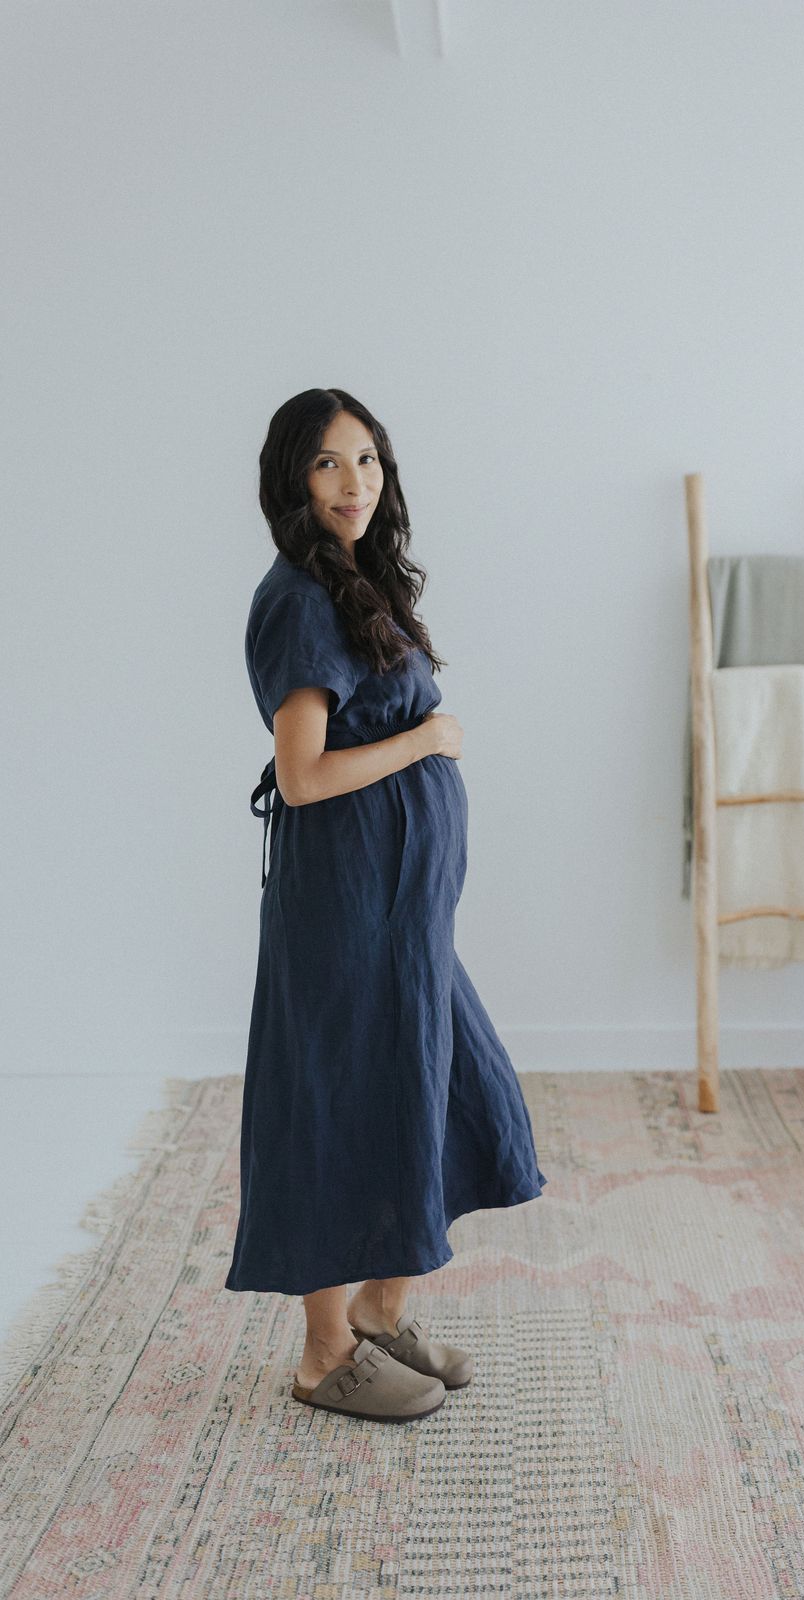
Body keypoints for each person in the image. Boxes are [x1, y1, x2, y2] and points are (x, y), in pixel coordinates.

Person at [224, 388, 547, 1424]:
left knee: (450, 1092)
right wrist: (429, 740)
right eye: (326, 462)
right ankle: (322, 1355)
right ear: (292, 479)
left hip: (403, 913)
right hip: (343, 908)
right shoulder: (297, 599)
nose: (352, 480)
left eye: (366, 458)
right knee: (334, 1105)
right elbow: (305, 772)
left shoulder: (355, 582)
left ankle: (376, 1310)